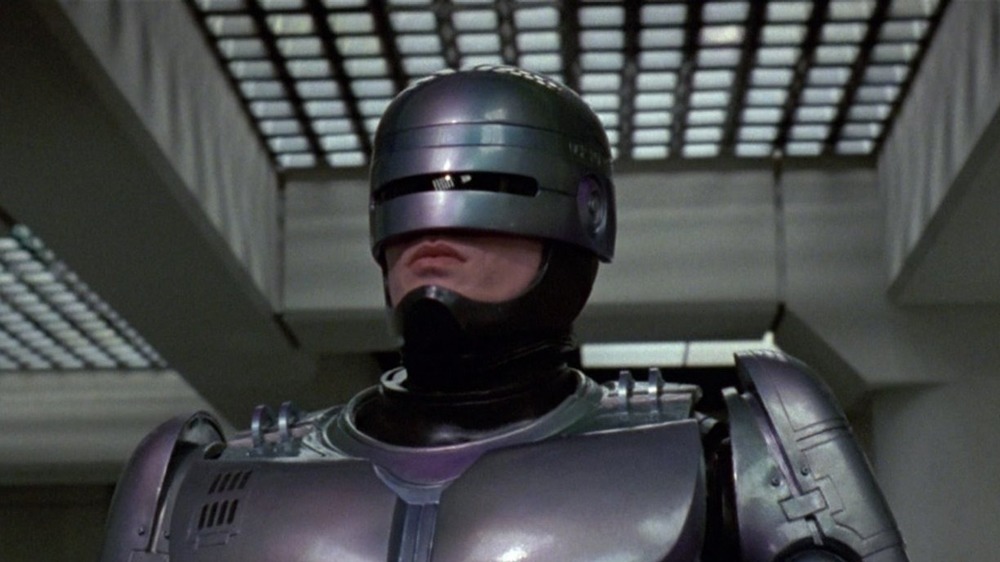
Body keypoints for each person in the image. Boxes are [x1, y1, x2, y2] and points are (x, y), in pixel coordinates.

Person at [100, 66, 908, 561]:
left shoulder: (737, 454)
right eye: (408, 200)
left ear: (579, 220)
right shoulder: (199, 483)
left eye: (488, 194)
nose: (432, 236)